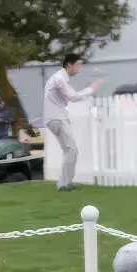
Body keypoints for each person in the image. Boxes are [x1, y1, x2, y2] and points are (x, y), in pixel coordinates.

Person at [42, 53, 101, 191]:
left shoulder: (58, 78)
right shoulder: (59, 79)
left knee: (69, 150)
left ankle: (64, 183)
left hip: (55, 118)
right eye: (77, 65)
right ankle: (64, 184)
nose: (79, 68)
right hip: (57, 119)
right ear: (69, 64)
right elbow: (74, 97)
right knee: (71, 150)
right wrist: (91, 89)